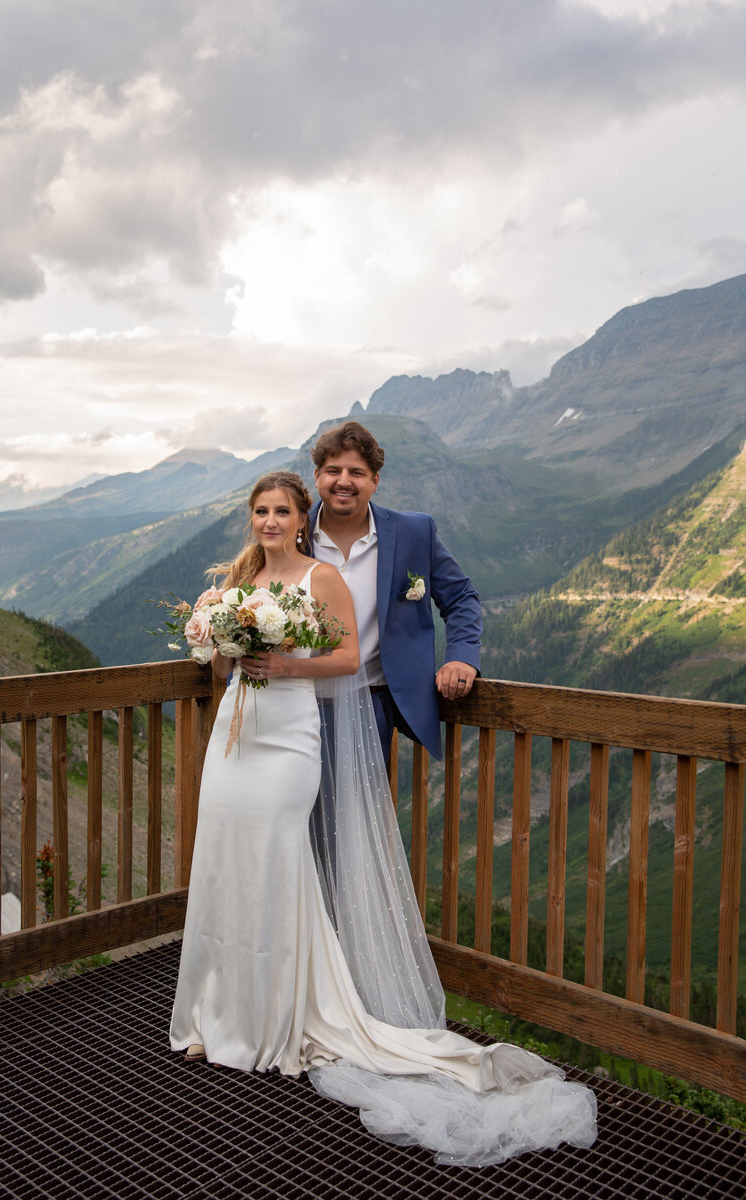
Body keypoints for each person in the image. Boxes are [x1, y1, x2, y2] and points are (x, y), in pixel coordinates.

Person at [170, 470, 597, 1167]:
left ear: (300, 516)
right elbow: (219, 665)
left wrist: (284, 667)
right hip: (233, 740)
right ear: (250, 518)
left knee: (283, 862)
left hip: (288, 740)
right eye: (260, 510)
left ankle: (278, 1018)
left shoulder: (319, 579)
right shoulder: (237, 581)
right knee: (223, 861)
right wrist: (211, 632)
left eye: (281, 510)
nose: (270, 520)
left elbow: (345, 655)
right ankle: (217, 1013)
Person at [309, 421, 481, 763]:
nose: (343, 481)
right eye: (333, 470)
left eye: (356, 472)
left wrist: (462, 655)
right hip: (297, 702)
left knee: (362, 815)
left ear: (375, 481)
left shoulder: (414, 532)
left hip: (374, 706)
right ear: (317, 477)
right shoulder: (292, 534)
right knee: (295, 814)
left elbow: (460, 597)